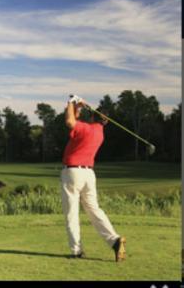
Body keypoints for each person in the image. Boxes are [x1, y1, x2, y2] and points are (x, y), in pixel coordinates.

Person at [61, 94, 126, 262]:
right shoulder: (99, 132)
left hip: (72, 173)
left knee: (71, 214)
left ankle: (76, 251)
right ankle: (114, 240)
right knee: (94, 210)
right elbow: (74, 118)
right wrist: (78, 106)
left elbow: (69, 121)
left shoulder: (85, 128)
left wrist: (71, 101)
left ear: (93, 117)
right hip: (89, 175)